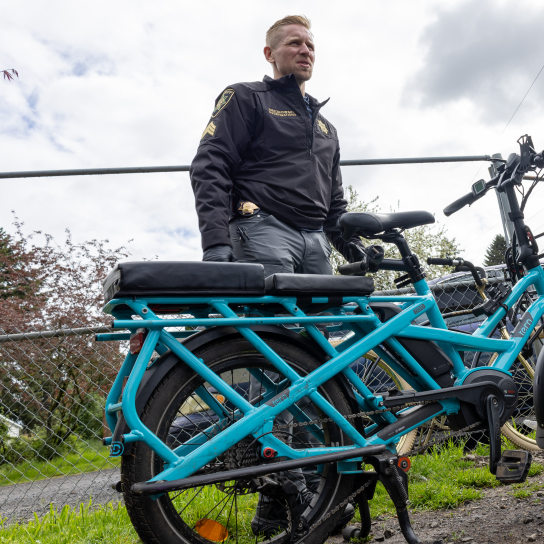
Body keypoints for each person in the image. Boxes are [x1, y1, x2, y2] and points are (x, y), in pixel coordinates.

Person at [190, 14, 369, 277]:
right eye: (294, 43)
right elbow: (210, 167)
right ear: (269, 54)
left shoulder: (327, 129)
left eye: (311, 46)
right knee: (276, 319)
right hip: (262, 230)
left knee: (326, 319)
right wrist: (216, 242)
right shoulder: (246, 97)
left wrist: (351, 244)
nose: (305, 51)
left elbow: (335, 204)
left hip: (318, 243)